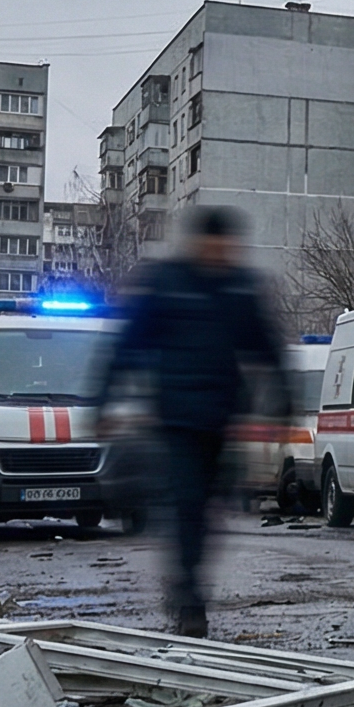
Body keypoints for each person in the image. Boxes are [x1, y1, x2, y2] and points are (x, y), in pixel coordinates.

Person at [94, 206, 285, 638]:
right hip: (175, 421)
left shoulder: (240, 287)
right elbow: (128, 344)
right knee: (185, 507)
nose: (221, 252)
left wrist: (283, 404)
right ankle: (189, 597)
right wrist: (104, 402)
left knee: (210, 512)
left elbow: (267, 347)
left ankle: (188, 581)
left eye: (227, 246)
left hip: (220, 420)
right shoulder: (167, 283)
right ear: (199, 243)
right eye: (214, 244)